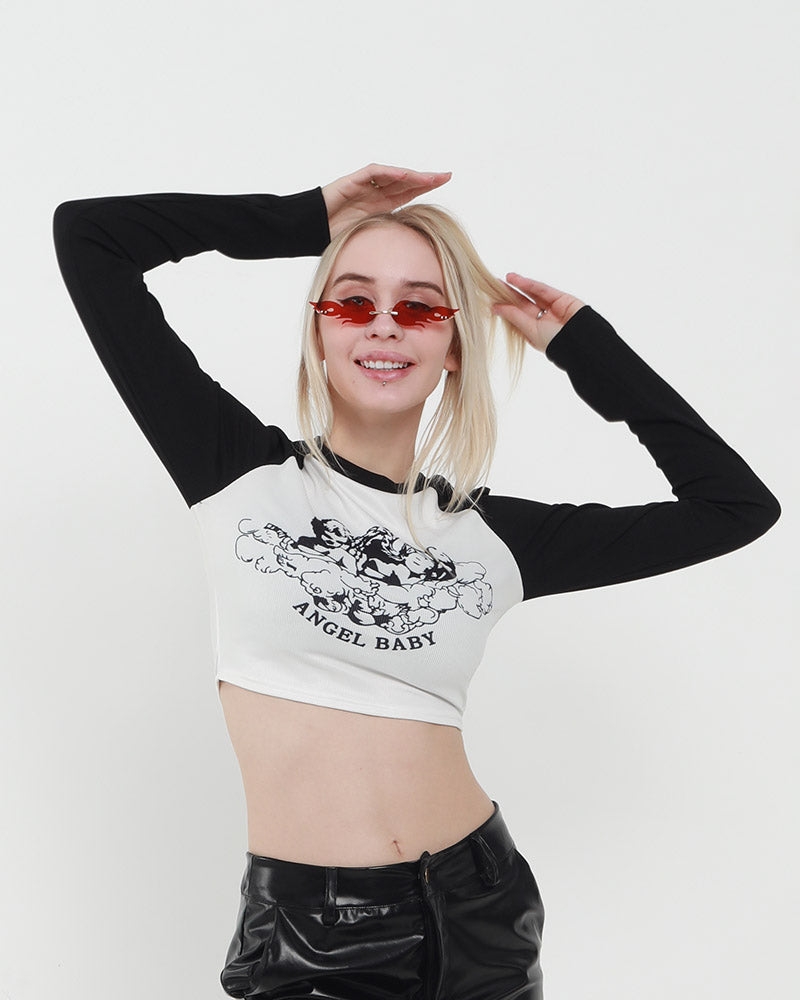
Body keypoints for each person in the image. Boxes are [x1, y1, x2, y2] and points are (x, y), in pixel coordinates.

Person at [52, 162, 781, 1000]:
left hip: (483, 911)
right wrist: (304, 218)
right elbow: (91, 235)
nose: (384, 327)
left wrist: (585, 349)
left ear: (453, 346)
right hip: (310, 938)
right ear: (318, 332)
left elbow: (735, 507)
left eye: (422, 308)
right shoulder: (234, 472)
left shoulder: (495, 539)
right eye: (354, 302)